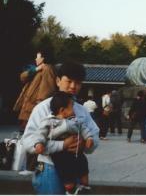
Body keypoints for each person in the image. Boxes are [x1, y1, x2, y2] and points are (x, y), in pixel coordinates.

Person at [21, 61, 99, 195]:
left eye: (78, 83)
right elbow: (29, 140)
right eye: (68, 81)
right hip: (50, 169)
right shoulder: (43, 108)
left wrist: (84, 144)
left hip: (75, 168)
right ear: (58, 81)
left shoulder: (81, 110)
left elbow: (94, 135)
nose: (73, 86)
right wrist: (62, 145)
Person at [33, 92, 93, 194]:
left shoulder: (74, 120)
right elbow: (40, 133)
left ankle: (85, 186)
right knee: (65, 170)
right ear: (62, 110)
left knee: (83, 163)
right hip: (59, 154)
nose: (74, 110)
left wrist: (89, 138)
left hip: (76, 152)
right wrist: (39, 143)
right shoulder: (49, 121)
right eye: (71, 107)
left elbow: (83, 128)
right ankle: (70, 189)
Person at [13, 50, 57, 132]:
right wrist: (36, 69)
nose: (35, 59)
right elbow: (22, 77)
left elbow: (47, 88)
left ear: (43, 58)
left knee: (31, 133)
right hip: (28, 106)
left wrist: (39, 105)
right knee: (25, 132)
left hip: (34, 108)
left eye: (37, 57)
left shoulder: (47, 69)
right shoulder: (37, 69)